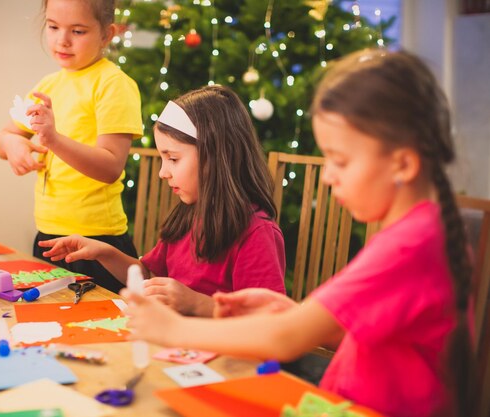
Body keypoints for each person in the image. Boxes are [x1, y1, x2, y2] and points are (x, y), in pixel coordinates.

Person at [121, 50, 476, 417]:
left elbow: (284, 339)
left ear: (402, 163)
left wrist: (173, 330)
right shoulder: (424, 231)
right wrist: (292, 311)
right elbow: (378, 333)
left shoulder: (409, 246)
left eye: (340, 161)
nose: (327, 176)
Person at [39, 85, 286, 317]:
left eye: (173, 159)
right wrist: (105, 253)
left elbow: (270, 319)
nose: (163, 172)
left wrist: (198, 304)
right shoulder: (188, 215)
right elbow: (148, 276)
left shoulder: (256, 232)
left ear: (216, 157)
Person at [0, 0, 143, 294]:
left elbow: (111, 166)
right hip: (48, 235)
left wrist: (53, 139)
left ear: (107, 34)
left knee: (104, 331)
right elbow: (2, 137)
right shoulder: (47, 86)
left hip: (98, 243)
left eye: (77, 30)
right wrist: (12, 144)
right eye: (53, 27)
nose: (62, 40)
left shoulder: (113, 84)